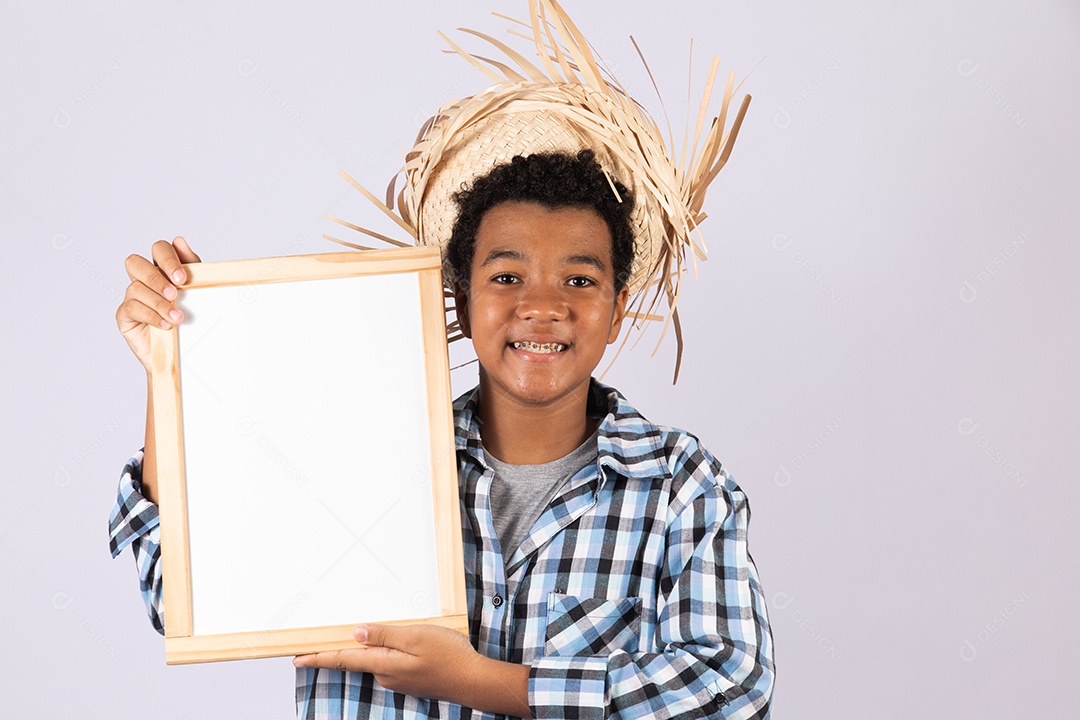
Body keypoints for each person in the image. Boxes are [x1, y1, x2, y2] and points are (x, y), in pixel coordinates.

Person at [109, 3, 773, 719]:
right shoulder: (363, 452)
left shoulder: (679, 487)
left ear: (616, 310)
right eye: (507, 276)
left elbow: (730, 692)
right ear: (460, 300)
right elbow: (180, 598)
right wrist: (169, 363)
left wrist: (480, 682)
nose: (543, 306)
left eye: (579, 280)